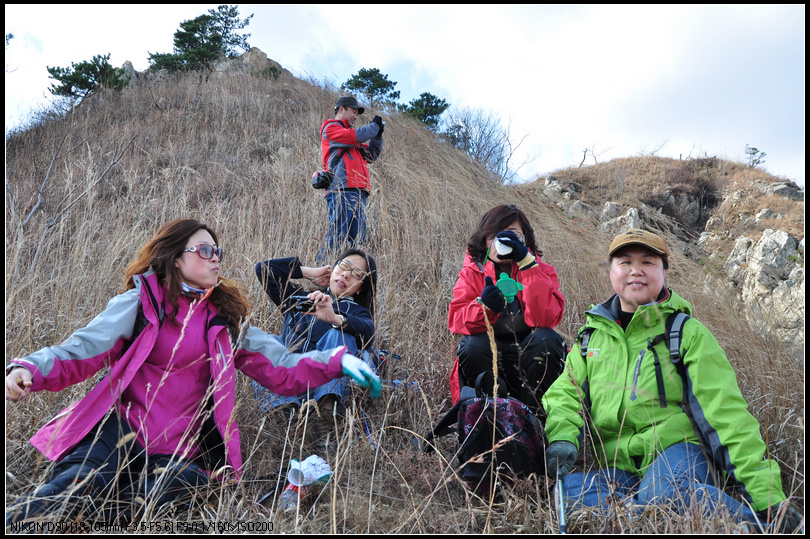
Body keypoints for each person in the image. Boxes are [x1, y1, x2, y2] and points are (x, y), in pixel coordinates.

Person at [5, 219, 380, 526]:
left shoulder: (227, 323)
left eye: (217, 252)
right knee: (74, 487)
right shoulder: (141, 303)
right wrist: (28, 369)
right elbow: (84, 349)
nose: (215, 258)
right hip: (117, 430)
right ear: (175, 258)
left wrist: (337, 362)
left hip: (181, 450)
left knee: (162, 502)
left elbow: (281, 368)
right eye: (204, 250)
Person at [542, 229, 803, 533]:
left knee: (664, 494)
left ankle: (760, 528)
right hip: (618, 464)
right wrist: (562, 438)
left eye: (648, 262)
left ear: (664, 271)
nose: (636, 270)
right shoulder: (590, 339)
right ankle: (642, 516)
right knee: (568, 493)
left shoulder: (686, 332)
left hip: (680, 453)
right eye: (625, 262)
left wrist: (766, 497)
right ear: (611, 271)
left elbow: (726, 415)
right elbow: (564, 395)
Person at [254, 248, 378, 450]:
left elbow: (368, 332)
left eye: (357, 274)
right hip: (289, 385)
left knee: (340, 335)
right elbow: (264, 269)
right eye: (344, 266)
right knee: (267, 342)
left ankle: (324, 420)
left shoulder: (358, 312)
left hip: (324, 387)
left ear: (360, 289)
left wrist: (335, 318)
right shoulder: (300, 298)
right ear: (332, 270)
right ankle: (286, 421)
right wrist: (306, 272)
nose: (346, 274)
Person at [448, 204, 567, 412]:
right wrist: (485, 308)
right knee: (472, 344)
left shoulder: (542, 271)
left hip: (531, 359)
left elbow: (547, 319)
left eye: (511, 235)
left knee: (548, 340)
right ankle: (484, 417)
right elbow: (456, 320)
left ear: (524, 240)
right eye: (493, 236)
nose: (501, 242)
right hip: (491, 359)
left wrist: (528, 267)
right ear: (484, 241)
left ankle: (535, 418)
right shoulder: (472, 272)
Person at [317, 95, 384, 264]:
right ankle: (320, 275)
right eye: (353, 111)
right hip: (341, 189)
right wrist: (374, 127)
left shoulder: (351, 138)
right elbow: (355, 136)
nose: (355, 116)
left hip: (358, 191)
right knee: (337, 235)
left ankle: (347, 277)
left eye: (357, 113)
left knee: (356, 240)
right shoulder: (331, 129)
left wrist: (377, 136)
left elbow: (371, 155)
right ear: (341, 109)